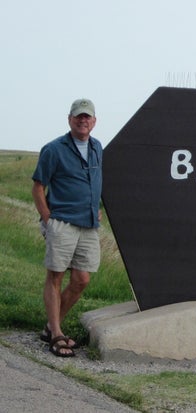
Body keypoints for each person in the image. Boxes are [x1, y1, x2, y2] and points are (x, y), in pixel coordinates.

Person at [31, 98, 103, 357]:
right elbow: (38, 186)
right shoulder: (53, 149)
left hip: (88, 224)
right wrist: (48, 219)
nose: (83, 120)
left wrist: (95, 207)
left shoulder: (97, 147)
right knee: (56, 276)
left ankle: (52, 326)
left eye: (87, 117)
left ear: (94, 121)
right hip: (62, 221)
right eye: (78, 116)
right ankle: (57, 335)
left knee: (82, 279)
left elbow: (94, 181)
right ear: (70, 119)